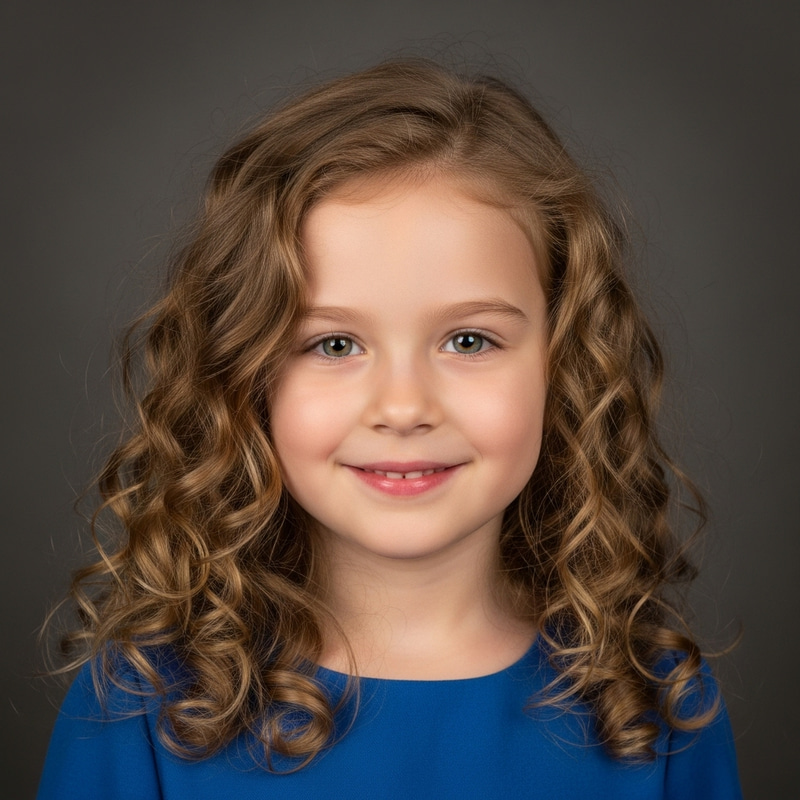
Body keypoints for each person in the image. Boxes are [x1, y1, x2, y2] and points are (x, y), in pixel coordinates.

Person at [37, 58, 742, 798]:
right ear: (243, 374)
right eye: (334, 344)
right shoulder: (142, 703)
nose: (404, 408)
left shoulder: (661, 706)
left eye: (468, 340)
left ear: (562, 363)